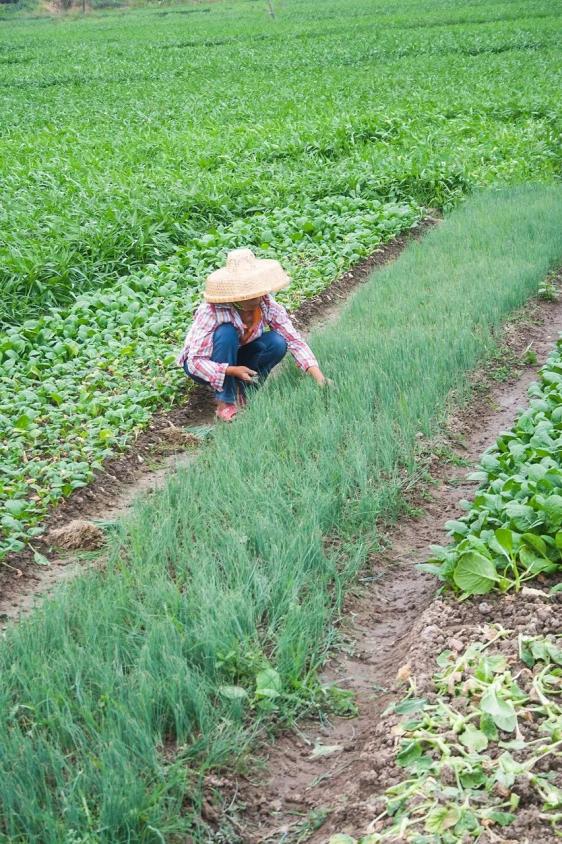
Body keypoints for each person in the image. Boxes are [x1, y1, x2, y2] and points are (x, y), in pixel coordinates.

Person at [176, 248, 327, 421]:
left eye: (257, 290)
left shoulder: (267, 305)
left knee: (278, 342)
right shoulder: (211, 311)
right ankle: (225, 402)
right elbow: (195, 362)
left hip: (239, 356)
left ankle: (247, 391)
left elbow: (295, 341)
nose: (255, 297)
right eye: (246, 291)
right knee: (227, 332)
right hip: (206, 363)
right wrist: (232, 370)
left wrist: (320, 379)